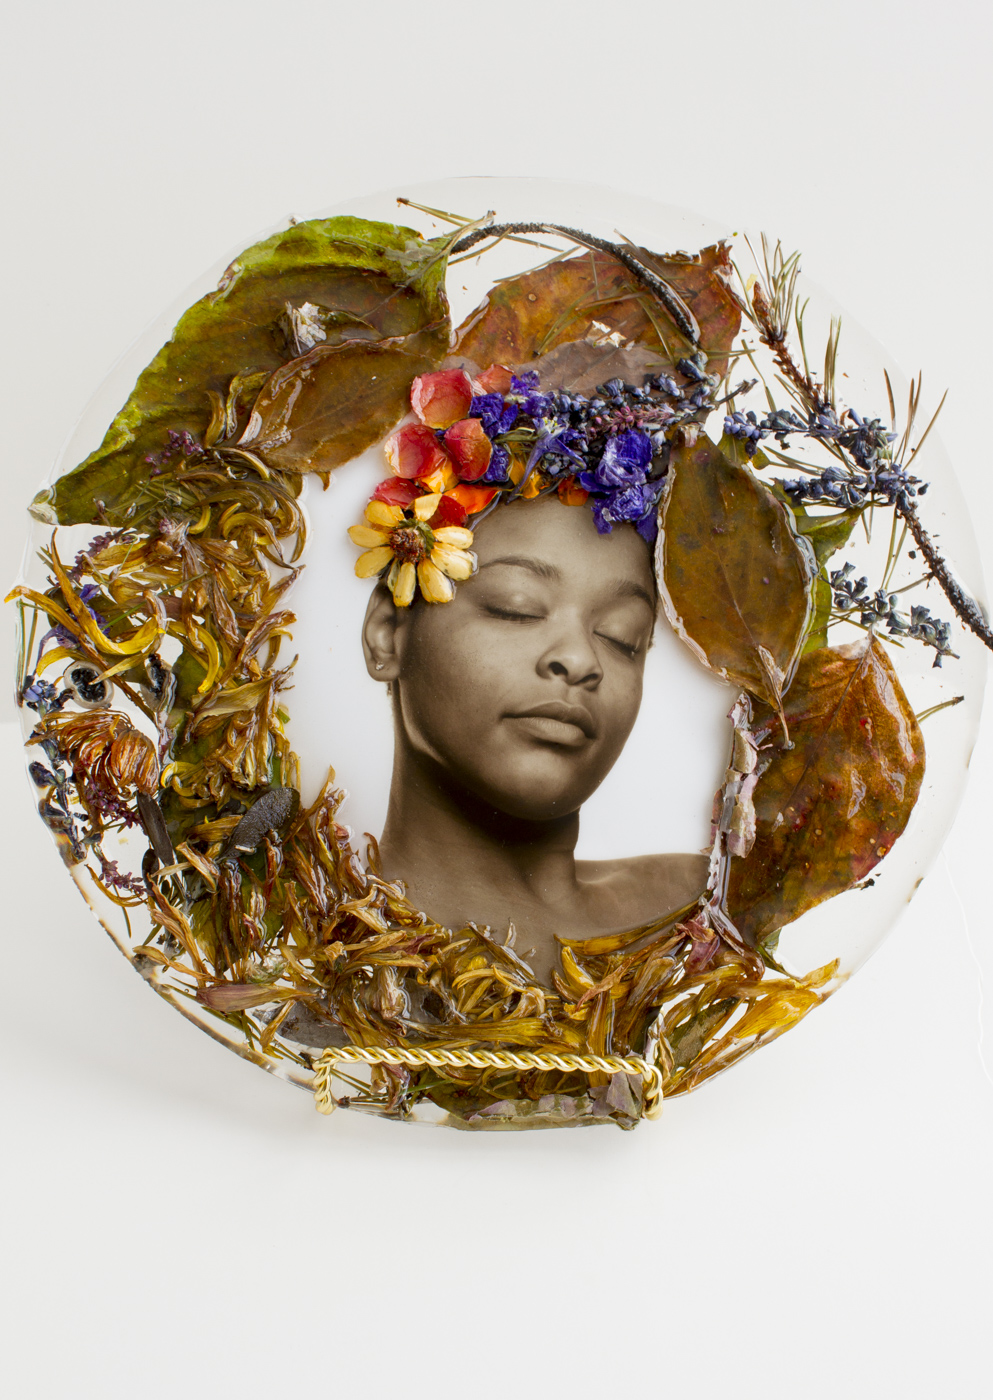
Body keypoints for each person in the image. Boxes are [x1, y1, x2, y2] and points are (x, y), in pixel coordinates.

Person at [360, 492, 709, 986]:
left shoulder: (704, 914)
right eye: (515, 608)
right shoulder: (303, 944)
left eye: (620, 636)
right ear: (387, 633)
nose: (582, 659)